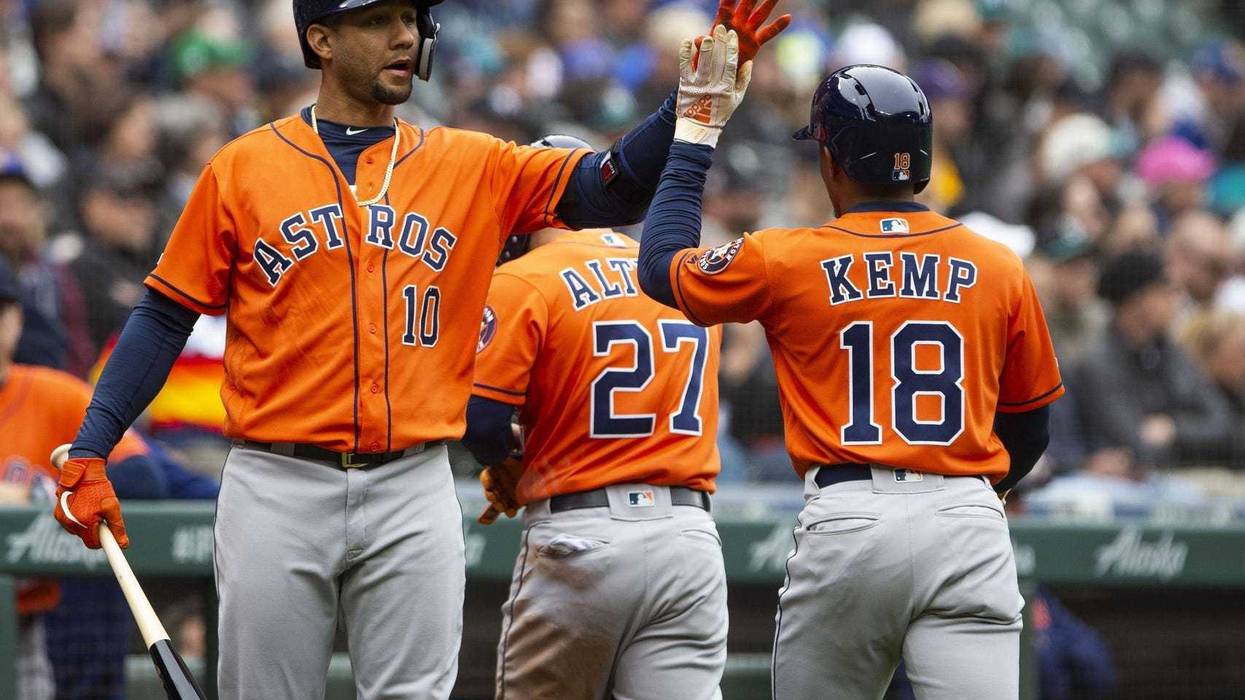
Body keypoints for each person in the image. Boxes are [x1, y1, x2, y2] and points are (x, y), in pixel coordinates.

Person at [51, 1, 778, 697]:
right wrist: (92, 444)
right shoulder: (241, 169)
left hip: (414, 482)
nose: (405, 35)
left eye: (409, 18)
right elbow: (164, 314)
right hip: (276, 480)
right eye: (377, 20)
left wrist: (687, 101)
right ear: (321, 41)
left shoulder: (471, 162)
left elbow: (609, 189)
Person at [638, 58, 1062, 698]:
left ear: (830, 161)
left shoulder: (785, 257)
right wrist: (968, 497)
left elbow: (660, 266)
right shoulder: (997, 263)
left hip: (850, 516)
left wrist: (696, 132)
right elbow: (1031, 425)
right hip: (968, 517)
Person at [463, 137, 726, 699]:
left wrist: (506, 462)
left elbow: (482, 420)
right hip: (689, 536)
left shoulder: (525, 278)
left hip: (579, 535)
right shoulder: (676, 274)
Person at [0, 260, 163, 700]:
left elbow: (144, 478)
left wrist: (38, 494)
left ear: (15, 321)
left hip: (25, 624)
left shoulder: (55, 393)